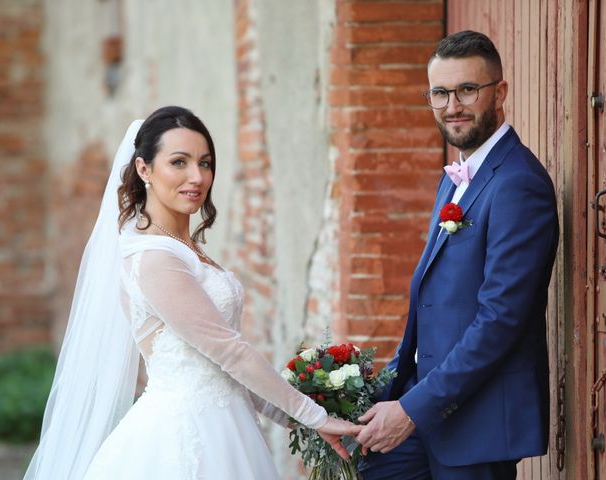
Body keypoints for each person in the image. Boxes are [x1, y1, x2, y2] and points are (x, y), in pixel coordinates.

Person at [24, 106, 360, 479]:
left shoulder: (184, 249)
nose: (196, 177)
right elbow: (229, 351)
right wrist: (312, 415)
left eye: (205, 163)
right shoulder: (154, 258)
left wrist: (298, 418)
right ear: (144, 169)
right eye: (179, 162)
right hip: (186, 434)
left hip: (227, 422)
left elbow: (219, 363)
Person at [356, 31, 559, 480]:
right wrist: (383, 388)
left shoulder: (518, 184)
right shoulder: (456, 177)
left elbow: (500, 319)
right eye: (440, 93)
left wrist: (411, 410)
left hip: (476, 422)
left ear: (499, 92)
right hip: (426, 405)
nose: (453, 106)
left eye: (468, 89)